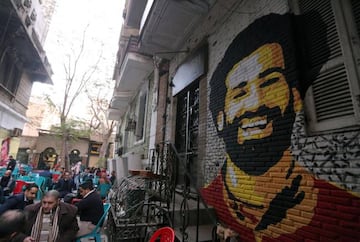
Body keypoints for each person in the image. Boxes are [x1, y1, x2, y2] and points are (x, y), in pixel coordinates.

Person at [201, 12, 360, 241]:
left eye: (271, 81)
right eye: (240, 93)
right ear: (220, 118)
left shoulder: (347, 209)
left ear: (295, 97)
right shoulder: (207, 196)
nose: (256, 103)